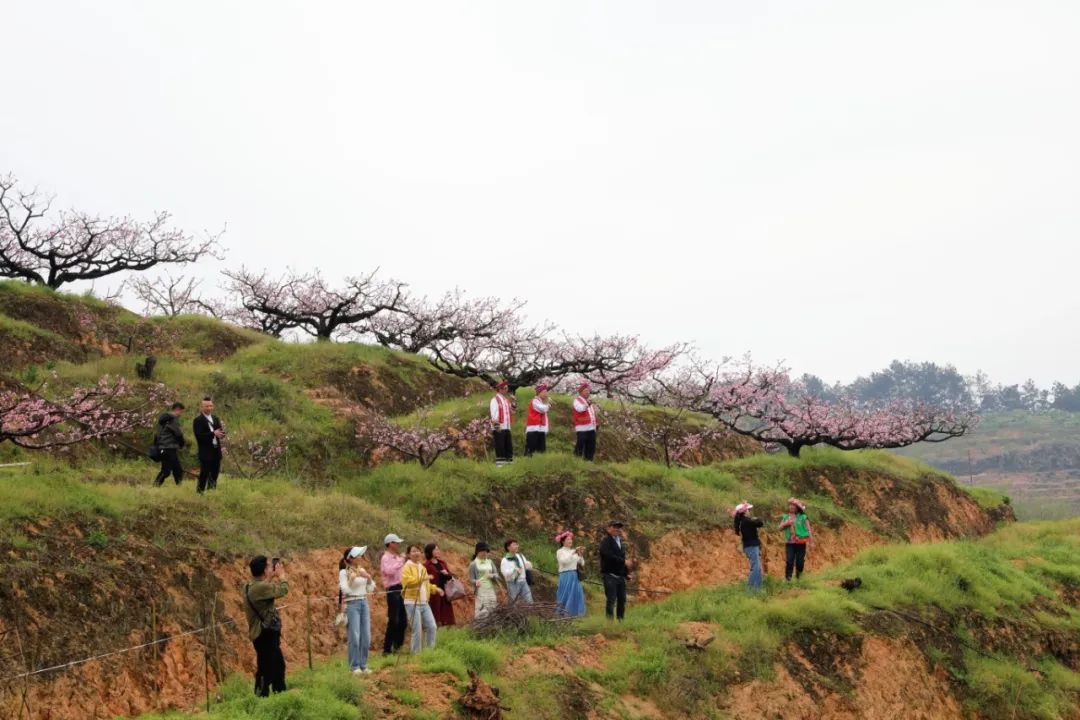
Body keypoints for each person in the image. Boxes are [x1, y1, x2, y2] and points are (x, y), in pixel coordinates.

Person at [244, 555, 289, 696]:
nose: (271, 568)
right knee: (269, 667)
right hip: (265, 634)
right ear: (264, 570)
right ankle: (264, 695)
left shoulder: (249, 586)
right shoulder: (261, 587)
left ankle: (275, 693)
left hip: (261, 634)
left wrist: (269, 577)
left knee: (272, 665)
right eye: (269, 567)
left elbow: (263, 589)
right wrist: (282, 576)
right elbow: (283, 590)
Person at [339, 546, 375, 674]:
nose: (360, 557)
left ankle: (363, 665)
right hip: (352, 603)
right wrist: (352, 579)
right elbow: (345, 590)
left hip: (364, 602)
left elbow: (370, 588)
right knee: (354, 635)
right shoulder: (344, 572)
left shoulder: (361, 569)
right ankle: (354, 666)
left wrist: (368, 577)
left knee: (366, 636)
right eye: (358, 555)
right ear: (351, 558)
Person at [401, 544, 442, 653]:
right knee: (417, 630)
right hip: (412, 602)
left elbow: (426, 584)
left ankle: (429, 653)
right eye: (413, 551)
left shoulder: (422, 567)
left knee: (432, 627)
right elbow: (408, 582)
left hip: (424, 602)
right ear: (409, 554)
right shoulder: (407, 567)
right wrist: (422, 578)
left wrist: (436, 589)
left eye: (418, 551)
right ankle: (416, 655)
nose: (416, 553)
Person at [380, 533, 407, 655]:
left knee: (403, 620)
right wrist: (401, 561)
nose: (398, 544)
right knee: (393, 620)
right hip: (392, 589)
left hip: (401, 588)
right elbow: (389, 571)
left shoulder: (397, 557)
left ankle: (398, 647)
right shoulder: (385, 558)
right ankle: (387, 649)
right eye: (396, 542)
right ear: (390, 544)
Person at [598, 520, 631, 621]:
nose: (617, 529)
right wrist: (623, 561)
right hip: (609, 575)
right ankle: (609, 623)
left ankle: (621, 621)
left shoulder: (620, 541)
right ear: (609, 528)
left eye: (618, 527)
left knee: (622, 600)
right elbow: (608, 556)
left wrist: (626, 574)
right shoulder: (605, 541)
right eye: (614, 527)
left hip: (620, 576)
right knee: (611, 600)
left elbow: (622, 559)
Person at [193, 396, 225, 494]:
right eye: (206, 406)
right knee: (204, 473)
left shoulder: (215, 418)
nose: (209, 408)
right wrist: (213, 434)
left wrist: (222, 435)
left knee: (215, 473)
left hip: (216, 450)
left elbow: (220, 431)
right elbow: (199, 436)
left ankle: (211, 492)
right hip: (205, 451)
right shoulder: (198, 420)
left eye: (211, 406)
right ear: (202, 407)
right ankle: (200, 493)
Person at [779, 497, 813, 581]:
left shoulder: (803, 517)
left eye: (794, 505)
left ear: (797, 508)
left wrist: (811, 542)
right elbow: (780, 528)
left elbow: (809, 530)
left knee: (800, 562)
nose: (791, 507)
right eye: (790, 505)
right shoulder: (786, 517)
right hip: (790, 543)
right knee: (789, 561)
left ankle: (799, 577)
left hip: (801, 543)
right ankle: (788, 579)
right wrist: (787, 523)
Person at [733, 502, 765, 592]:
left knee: (757, 567)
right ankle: (752, 588)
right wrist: (756, 518)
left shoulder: (742, 522)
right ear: (744, 512)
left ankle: (757, 588)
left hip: (749, 546)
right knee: (755, 567)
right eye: (748, 510)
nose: (749, 511)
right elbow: (760, 523)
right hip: (752, 546)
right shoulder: (747, 521)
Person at [554, 530, 586, 618]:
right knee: (565, 594)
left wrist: (580, 554)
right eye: (568, 539)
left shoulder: (573, 551)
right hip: (565, 575)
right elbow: (564, 561)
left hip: (574, 575)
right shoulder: (560, 551)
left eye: (571, 539)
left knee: (577, 593)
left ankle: (576, 613)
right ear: (563, 541)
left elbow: (582, 563)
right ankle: (563, 613)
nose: (570, 541)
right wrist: (574, 552)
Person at [153, 402, 186, 486]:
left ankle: (179, 487)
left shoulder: (163, 420)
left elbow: (157, 434)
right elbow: (178, 434)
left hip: (164, 447)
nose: (181, 414)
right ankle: (155, 485)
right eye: (181, 412)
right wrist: (182, 444)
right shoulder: (172, 419)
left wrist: (157, 445)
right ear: (177, 410)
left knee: (178, 470)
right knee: (166, 470)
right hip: (169, 447)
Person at [423, 543, 456, 627]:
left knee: (447, 615)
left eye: (438, 549)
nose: (438, 551)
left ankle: (447, 631)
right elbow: (426, 581)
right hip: (434, 593)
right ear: (430, 551)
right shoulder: (426, 565)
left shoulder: (442, 563)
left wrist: (446, 574)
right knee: (436, 615)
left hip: (445, 592)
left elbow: (450, 576)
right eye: (436, 549)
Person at [468, 542, 499, 619]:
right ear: (477, 551)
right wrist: (476, 582)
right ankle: (480, 624)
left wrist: (492, 575)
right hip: (480, 589)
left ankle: (492, 624)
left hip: (491, 588)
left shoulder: (490, 562)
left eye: (486, 551)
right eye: (482, 551)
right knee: (481, 609)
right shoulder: (473, 564)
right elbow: (471, 579)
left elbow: (497, 574)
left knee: (492, 606)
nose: (485, 553)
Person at [500, 539, 534, 604]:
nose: (516, 546)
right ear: (508, 547)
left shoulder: (521, 556)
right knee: (514, 603)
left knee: (529, 601)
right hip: (512, 583)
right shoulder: (505, 560)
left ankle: (530, 611)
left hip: (523, 581)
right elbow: (505, 573)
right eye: (514, 545)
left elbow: (528, 567)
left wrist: (529, 565)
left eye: (517, 545)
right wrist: (514, 569)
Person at [490, 380, 514, 466]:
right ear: (500, 389)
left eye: (507, 388)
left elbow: (513, 412)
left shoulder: (505, 401)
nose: (507, 390)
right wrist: (496, 426)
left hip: (507, 427)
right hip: (499, 427)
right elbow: (493, 414)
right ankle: (500, 466)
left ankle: (509, 465)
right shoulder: (495, 400)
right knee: (500, 447)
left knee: (509, 446)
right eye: (505, 388)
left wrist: (513, 402)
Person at [572, 383, 598, 461]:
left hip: (591, 428)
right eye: (585, 391)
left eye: (588, 391)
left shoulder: (588, 401)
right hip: (582, 428)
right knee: (580, 445)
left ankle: (588, 461)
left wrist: (596, 423)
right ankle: (576, 461)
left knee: (591, 446)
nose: (588, 392)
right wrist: (588, 404)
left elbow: (592, 414)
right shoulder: (577, 400)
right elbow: (580, 409)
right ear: (581, 392)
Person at [524, 384, 551, 456]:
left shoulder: (541, 402)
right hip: (533, 428)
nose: (546, 394)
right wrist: (548, 404)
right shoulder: (535, 401)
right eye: (544, 392)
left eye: (546, 392)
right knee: (531, 450)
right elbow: (543, 409)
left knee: (541, 450)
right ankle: (527, 461)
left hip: (540, 428)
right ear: (539, 392)